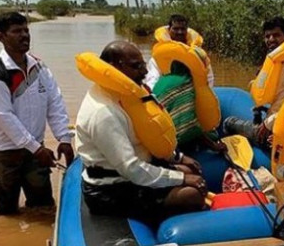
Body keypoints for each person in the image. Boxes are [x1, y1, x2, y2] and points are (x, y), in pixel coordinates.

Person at [75, 41, 207, 226]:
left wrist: (177, 157)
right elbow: (132, 170)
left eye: (143, 64)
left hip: (130, 174)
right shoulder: (104, 112)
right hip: (112, 189)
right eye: (136, 66)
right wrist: (182, 178)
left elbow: (146, 134)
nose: (144, 72)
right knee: (191, 194)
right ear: (114, 67)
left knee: (191, 169)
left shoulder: (128, 95)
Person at [0, 11, 73, 215]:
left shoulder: (39, 67)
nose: (24, 35)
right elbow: (4, 117)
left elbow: (54, 102)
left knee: (44, 206)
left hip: (34, 147)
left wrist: (64, 138)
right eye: (16, 31)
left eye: (26, 30)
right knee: (6, 212)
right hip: (0, 151)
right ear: (1, 37)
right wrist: (37, 150)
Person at [223, 16, 284, 146]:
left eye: (276, 35)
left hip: (279, 131)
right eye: (267, 36)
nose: (271, 40)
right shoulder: (276, 64)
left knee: (229, 122)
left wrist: (268, 123)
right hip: (274, 123)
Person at [144, 14, 215, 90]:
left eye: (183, 29)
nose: (180, 32)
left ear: (186, 30)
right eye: (176, 29)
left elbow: (209, 77)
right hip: (166, 93)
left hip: (192, 93)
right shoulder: (160, 54)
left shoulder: (198, 53)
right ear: (169, 30)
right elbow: (152, 79)